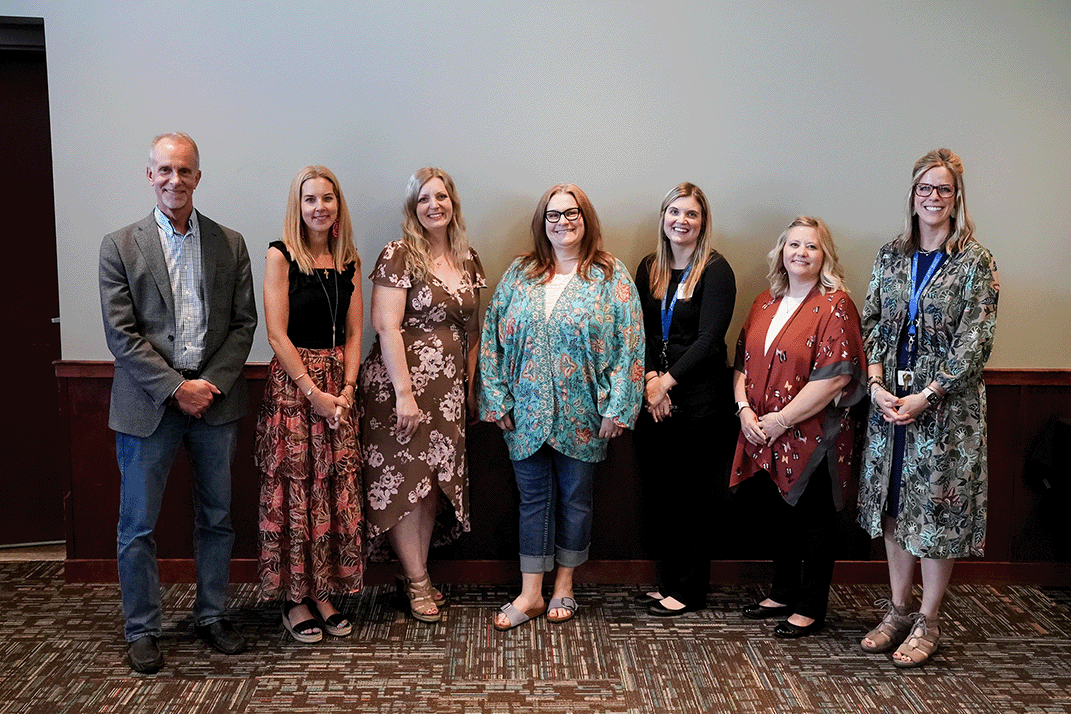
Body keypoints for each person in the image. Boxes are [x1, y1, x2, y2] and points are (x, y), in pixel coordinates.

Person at [99, 133, 257, 673]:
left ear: (197, 176)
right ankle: (142, 628)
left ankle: (211, 615)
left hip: (215, 402)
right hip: (149, 406)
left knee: (216, 519)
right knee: (138, 525)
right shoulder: (119, 245)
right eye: (164, 170)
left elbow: (243, 325)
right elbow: (122, 335)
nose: (175, 180)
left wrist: (206, 384)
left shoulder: (229, 244)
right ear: (149, 176)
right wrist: (175, 387)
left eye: (185, 170)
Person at [479, 183, 644, 630]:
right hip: (525, 412)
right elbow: (491, 337)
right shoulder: (520, 272)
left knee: (576, 499)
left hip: (585, 413)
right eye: (553, 215)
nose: (562, 222)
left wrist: (618, 408)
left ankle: (564, 587)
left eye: (571, 214)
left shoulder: (611, 275)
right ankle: (530, 593)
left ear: (585, 219)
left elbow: (630, 344)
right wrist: (495, 399)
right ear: (542, 222)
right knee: (532, 500)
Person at [857, 149, 999, 668]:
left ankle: (929, 620)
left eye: (943, 189)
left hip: (946, 415)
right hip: (888, 403)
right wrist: (875, 385)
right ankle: (897, 610)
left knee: (936, 515)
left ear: (957, 198)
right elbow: (870, 321)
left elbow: (974, 343)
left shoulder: (975, 261)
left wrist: (928, 395)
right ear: (912, 196)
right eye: (924, 189)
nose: (933, 198)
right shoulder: (892, 255)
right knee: (895, 507)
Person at [359, 167, 484, 623]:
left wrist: (470, 388)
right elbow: (385, 325)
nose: (434, 206)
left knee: (431, 486)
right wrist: (405, 395)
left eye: (442, 197)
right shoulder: (399, 254)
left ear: (453, 203)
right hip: (399, 390)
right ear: (413, 209)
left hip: (448, 394)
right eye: (424, 199)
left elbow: (473, 330)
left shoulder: (468, 258)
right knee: (405, 484)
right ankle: (417, 582)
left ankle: (415, 570)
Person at [732, 216, 865, 638]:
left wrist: (780, 420)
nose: (801, 253)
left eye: (811, 246)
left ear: (824, 255)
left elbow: (836, 377)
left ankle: (810, 606)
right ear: (781, 252)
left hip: (814, 435)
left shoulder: (835, 305)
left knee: (813, 519)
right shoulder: (763, 303)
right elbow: (741, 364)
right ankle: (782, 591)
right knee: (779, 515)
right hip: (762, 431)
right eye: (793, 245)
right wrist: (743, 411)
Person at [255, 166, 364, 643]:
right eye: (310, 199)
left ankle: (324, 592)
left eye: (328, 198)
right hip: (295, 392)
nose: (320, 206)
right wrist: (313, 392)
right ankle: (294, 599)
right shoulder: (280, 256)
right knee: (297, 488)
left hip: (339, 390)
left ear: (338, 206)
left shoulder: (349, 261)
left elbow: (357, 331)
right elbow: (276, 332)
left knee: (332, 490)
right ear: (297, 208)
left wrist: (348, 388)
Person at [633, 183, 736, 616]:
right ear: (663, 218)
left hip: (699, 400)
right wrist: (652, 381)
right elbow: (639, 330)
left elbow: (711, 341)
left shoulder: (715, 270)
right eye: (674, 212)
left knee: (694, 497)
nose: (682, 220)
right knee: (664, 494)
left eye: (691, 214)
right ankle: (669, 582)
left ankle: (690, 589)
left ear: (703, 222)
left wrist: (667, 382)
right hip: (656, 395)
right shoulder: (649, 267)